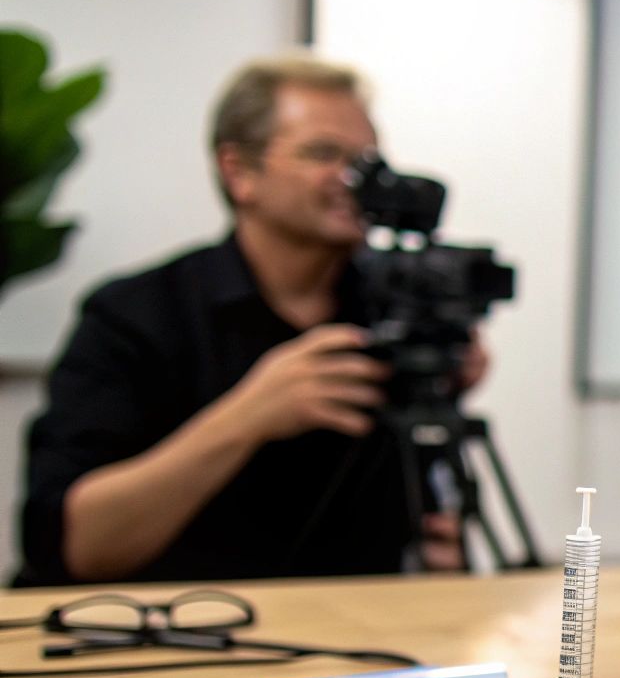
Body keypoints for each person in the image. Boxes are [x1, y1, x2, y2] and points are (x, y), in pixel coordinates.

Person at [15, 55, 475, 586]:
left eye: (369, 160)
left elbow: (422, 522)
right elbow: (72, 546)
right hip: (178, 638)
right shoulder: (136, 315)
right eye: (323, 153)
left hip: (355, 639)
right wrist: (248, 416)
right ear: (238, 172)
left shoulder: (391, 314)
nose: (356, 180)